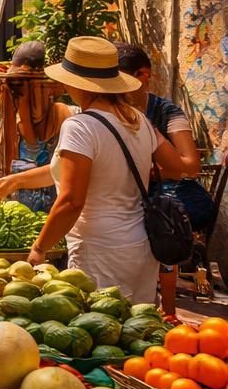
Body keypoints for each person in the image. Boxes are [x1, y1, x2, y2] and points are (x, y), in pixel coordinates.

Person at [23, 37, 192, 303]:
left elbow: (71, 201)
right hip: (141, 246)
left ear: (76, 82)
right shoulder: (140, 121)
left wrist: (39, 247)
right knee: (138, 332)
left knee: (101, 335)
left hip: (99, 250)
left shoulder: (80, 126)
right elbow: (177, 167)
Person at [118, 44, 209, 225]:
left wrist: (152, 172)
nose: (119, 89)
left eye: (123, 81)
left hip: (164, 195)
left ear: (144, 75)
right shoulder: (108, 112)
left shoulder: (167, 112)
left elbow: (191, 167)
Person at [0, 42, 73, 211]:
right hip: (29, 192)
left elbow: (36, 150)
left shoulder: (57, 112)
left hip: (43, 193)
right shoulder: (17, 107)